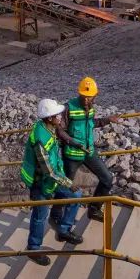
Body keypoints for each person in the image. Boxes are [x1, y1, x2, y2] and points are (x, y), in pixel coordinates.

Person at [20, 98, 83, 266]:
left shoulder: (49, 128)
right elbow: (49, 172)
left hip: (52, 179)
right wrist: (68, 183)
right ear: (49, 118)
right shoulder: (40, 140)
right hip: (41, 183)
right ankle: (33, 249)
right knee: (40, 216)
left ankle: (63, 230)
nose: (61, 116)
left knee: (76, 195)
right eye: (57, 115)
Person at [52, 76, 116, 224]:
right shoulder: (68, 108)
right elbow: (60, 130)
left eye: (90, 97)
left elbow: (91, 123)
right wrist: (72, 142)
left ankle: (94, 209)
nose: (86, 99)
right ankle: (55, 215)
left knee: (107, 178)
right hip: (72, 155)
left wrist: (107, 120)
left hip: (89, 152)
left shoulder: (90, 108)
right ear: (79, 93)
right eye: (84, 96)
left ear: (95, 96)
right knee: (66, 186)